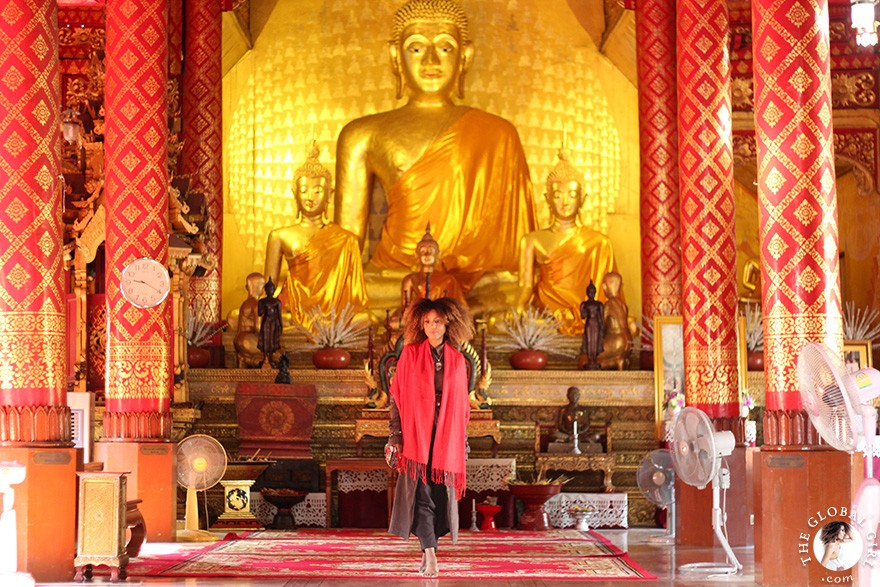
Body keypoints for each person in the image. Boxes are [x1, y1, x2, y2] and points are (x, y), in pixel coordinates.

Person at [334, 0, 536, 290]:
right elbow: (346, 248)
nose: (431, 61)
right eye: (416, 48)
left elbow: (520, 261)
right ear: (394, 56)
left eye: (445, 47)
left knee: (512, 285)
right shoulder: (361, 134)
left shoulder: (500, 134)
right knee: (364, 287)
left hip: (476, 280)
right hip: (393, 277)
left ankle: (451, 298)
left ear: (465, 57)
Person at [386, 296, 474, 577]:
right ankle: (430, 553)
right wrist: (394, 435)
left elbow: (463, 406)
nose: (433, 327)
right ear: (420, 325)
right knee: (421, 493)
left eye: (437, 322)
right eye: (427, 322)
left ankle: (429, 547)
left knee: (440, 494)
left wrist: (463, 442)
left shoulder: (459, 360)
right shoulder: (409, 356)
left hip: (447, 436)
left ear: (448, 323)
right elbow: (396, 397)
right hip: (416, 435)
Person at [264, 142, 368, 327]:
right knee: (243, 317)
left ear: (329, 194)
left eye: (318, 190)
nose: (310, 197)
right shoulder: (279, 236)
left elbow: (354, 295)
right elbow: (268, 289)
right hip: (294, 308)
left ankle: (328, 326)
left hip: (335, 311)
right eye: (304, 190)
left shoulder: (346, 240)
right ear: (294, 193)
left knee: (368, 320)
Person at [517, 147, 615, 334]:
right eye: (557, 195)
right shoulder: (532, 239)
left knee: (625, 324)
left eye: (572, 195)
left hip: (587, 314)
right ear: (547, 199)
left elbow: (608, 294)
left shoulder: (598, 243)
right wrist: (518, 307)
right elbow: (525, 286)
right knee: (500, 324)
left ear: (582, 199)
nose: (565, 202)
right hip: (546, 314)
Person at [400, 224, 467, 310]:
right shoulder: (410, 279)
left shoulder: (448, 280)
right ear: (417, 255)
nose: (427, 254)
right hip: (418, 315)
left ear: (438, 255)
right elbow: (405, 308)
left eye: (431, 251)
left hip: (439, 317)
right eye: (423, 251)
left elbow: (455, 308)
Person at [597, 272, 634, 370]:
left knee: (589, 359)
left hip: (615, 340)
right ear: (621, 286)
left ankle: (614, 362)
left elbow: (602, 325)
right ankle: (621, 361)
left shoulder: (609, 304)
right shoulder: (623, 306)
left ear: (604, 287)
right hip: (628, 342)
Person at [233, 272, 266, 368]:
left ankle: (244, 359)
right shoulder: (256, 304)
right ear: (262, 289)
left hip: (239, 339)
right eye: (263, 286)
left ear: (246, 287)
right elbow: (257, 328)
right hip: (248, 339)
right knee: (276, 355)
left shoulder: (245, 303)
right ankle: (250, 361)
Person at [257, 278, 283, 367]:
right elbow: (259, 313)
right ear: (265, 290)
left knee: (272, 339)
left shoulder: (277, 302)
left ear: (274, 290)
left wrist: (281, 325)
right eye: (268, 289)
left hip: (274, 322)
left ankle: (271, 358)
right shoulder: (262, 301)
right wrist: (261, 307)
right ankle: (265, 358)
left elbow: (279, 315)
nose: (270, 291)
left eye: (271, 289)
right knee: (265, 338)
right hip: (266, 321)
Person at [580, 281, 604, 370]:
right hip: (589, 323)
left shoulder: (599, 304)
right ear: (587, 293)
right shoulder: (584, 304)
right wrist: (585, 311)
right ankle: (589, 359)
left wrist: (602, 328)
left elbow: (601, 317)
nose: (591, 293)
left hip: (596, 323)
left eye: (593, 292)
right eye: (590, 292)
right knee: (589, 341)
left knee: (596, 341)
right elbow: (582, 316)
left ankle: (595, 359)